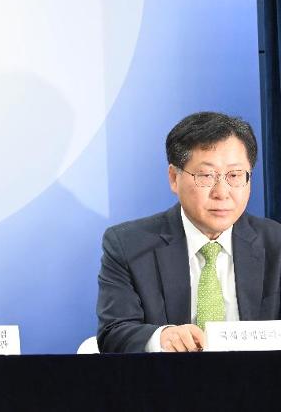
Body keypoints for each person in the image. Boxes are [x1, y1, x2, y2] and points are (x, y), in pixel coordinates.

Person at [97, 111, 281, 353]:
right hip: (167, 386)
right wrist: (161, 338)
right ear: (174, 178)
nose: (222, 192)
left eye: (235, 176)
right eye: (206, 176)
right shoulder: (128, 245)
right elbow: (113, 333)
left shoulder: (276, 243)